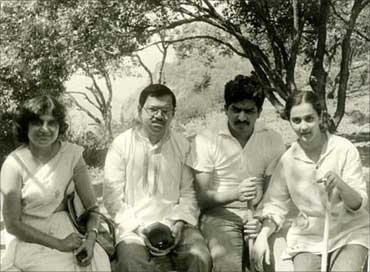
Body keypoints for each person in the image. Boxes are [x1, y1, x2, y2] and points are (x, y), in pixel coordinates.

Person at [253, 91, 369, 272]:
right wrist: (262, 235)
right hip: (309, 239)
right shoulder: (288, 160)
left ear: (320, 116)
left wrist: (340, 184)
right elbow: (275, 205)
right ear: (289, 121)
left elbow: (357, 204)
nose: (303, 126)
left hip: (350, 233)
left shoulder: (343, 149)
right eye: (296, 120)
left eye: (309, 118)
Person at [103, 84, 211, 272]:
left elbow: (188, 193)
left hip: (176, 224)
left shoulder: (182, 145)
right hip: (134, 227)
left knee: (200, 258)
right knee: (131, 265)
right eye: (152, 109)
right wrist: (138, 228)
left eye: (165, 111)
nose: (159, 116)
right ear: (139, 110)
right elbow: (112, 198)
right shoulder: (121, 145)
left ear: (173, 113)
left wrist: (177, 224)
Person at [0, 95, 111, 271]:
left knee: (99, 263)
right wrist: (58, 244)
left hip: (68, 228)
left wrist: (90, 241)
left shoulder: (72, 155)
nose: (45, 129)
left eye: (52, 123)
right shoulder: (14, 164)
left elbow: (93, 208)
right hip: (29, 236)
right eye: (37, 122)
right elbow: (13, 224)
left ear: (59, 127)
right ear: (26, 126)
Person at [189, 74, 286, 272]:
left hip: (259, 213)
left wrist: (261, 221)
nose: (241, 117)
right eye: (236, 110)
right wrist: (235, 193)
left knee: (270, 261)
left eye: (249, 111)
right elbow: (199, 198)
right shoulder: (207, 139)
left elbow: (273, 195)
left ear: (259, 112)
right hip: (219, 215)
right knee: (228, 266)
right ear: (226, 109)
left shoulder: (273, 139)